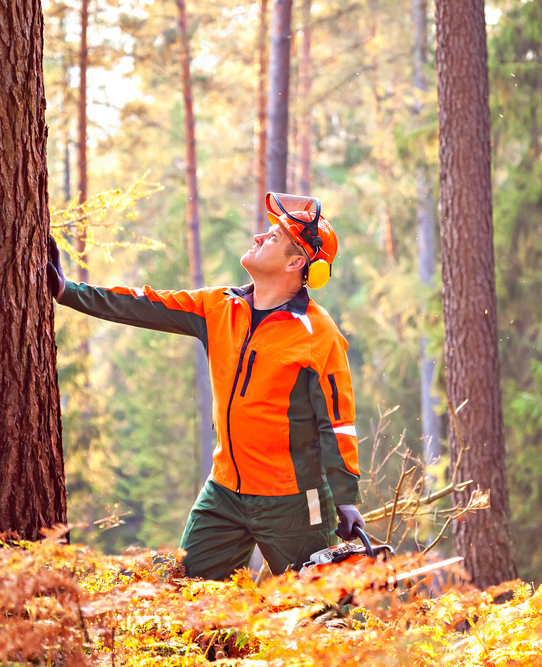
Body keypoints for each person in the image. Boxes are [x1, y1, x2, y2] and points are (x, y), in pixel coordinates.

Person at [46, 192, 365, 579]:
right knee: (191, 596)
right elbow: (145, 302)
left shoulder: (318, 333)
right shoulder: (219, 307)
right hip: (225, 492)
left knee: (323, 610)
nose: (260, 238)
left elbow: (337, 424)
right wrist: (67, 291)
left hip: (295, 501)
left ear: (297, 262)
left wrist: (346, 500)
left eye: (275, 237)